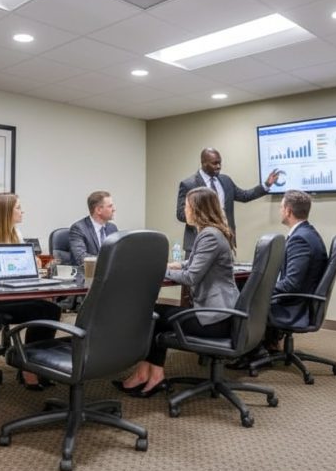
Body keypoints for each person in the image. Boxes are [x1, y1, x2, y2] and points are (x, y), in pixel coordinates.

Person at [114, 186, 240, 397]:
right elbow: (193, 263)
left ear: (198, 209)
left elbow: (191, 277)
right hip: (223, 314)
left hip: (214, 319)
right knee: (155, 314)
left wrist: (159, 269)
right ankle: (148, 373)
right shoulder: (214, 232)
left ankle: (150, 375)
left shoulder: (209, 235)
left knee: (152, 315)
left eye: (187, 205)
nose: (185, 210)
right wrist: (175, 265)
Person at [0, 192, 61, 390]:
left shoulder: (16, 233)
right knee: (45, 311)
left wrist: (31, 263)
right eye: (19, 207)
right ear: (6, 211)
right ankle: (28, 369)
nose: (22, 211)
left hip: (15, 291)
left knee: (51, 310)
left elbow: (20, 265)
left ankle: (35, 364)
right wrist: (0, 266)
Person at [177, 148, 280, 253]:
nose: (219, 166)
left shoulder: (226, 181)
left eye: (220, 163)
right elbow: (181, 214)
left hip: (225, 240)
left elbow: (244, 196)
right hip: (198, 243)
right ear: (203, 163)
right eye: (214, 163)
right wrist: (207, 220)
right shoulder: (189, 184)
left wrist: (266, 185)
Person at [266, 189, 328, 349]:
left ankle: (252, 354)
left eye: (281, 207)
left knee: (249, 300)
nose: (280, 211)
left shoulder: (300, 239)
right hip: (302, 301)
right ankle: (269, 345)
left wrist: (260, 288)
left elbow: (291, 284)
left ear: (288, 211)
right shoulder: (307, 233)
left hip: (295, 307)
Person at [68, 190, 118, 266]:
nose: (114, 209)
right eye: (110, 206)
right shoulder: (79, 228)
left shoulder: (112, 228)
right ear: (98, 210)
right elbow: (81, 258)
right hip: (87, 275)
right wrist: (108, 261)